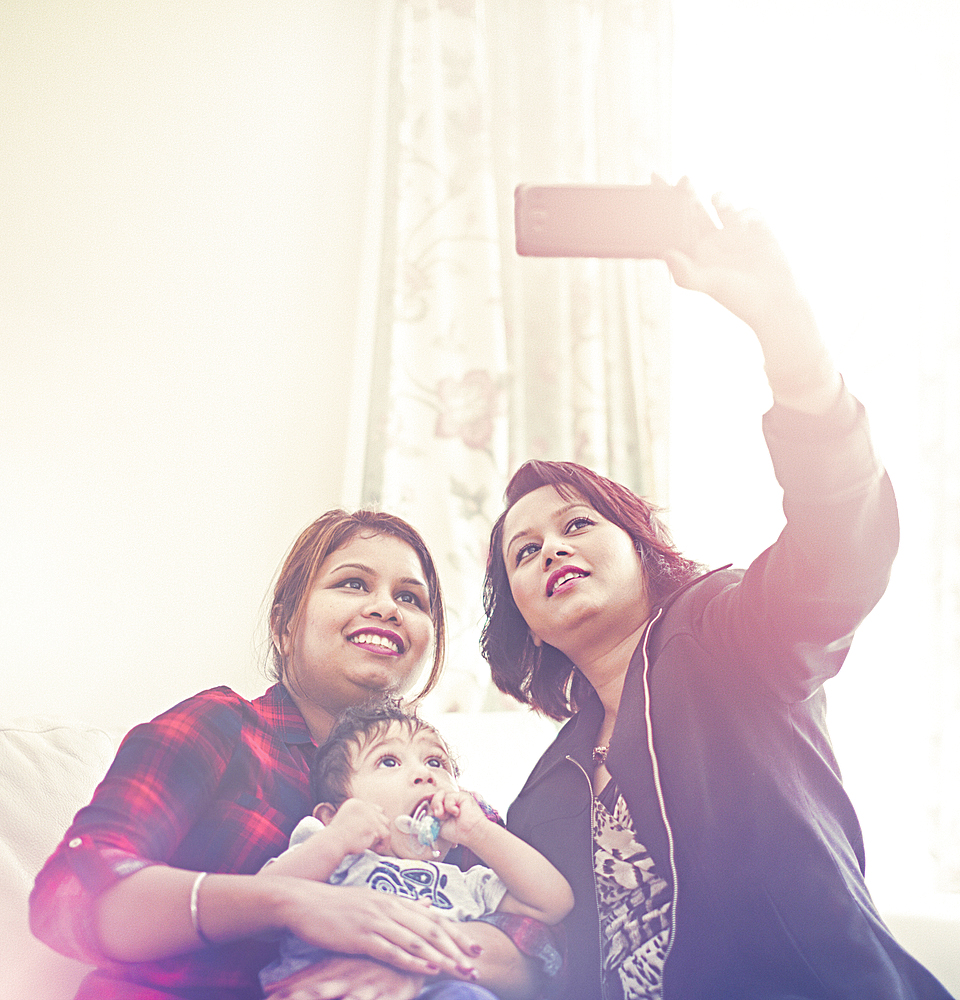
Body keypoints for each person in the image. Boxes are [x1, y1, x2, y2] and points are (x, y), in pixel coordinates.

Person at [480, 182, 956, 1000]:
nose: (552, 548)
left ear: (641, 549)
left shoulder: (725, 636)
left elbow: (838, 554)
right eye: (525, 551)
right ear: (521, 614)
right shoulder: (543, 794)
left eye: (578, 525)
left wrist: (791, 342)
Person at [30, 509, 556, 1000]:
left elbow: (538, 954)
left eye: (412, 599)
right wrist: (289, 902)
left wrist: (411, 963)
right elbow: (70, 895)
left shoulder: (445, 803)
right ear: (284, 626)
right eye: (353, 583)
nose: (386, 607)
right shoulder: (220, 726)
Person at [258, 699, 573, 999]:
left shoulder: (464, 882)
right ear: (332, 814)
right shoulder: (329, 851)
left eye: (436, 762)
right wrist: (337, 836)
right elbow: (262, 901)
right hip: (324, 988)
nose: (425, 774)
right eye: (389, 761)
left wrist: (478, 831)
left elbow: (554, 903)